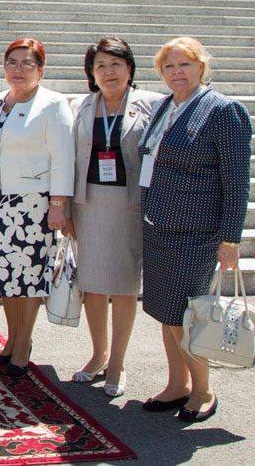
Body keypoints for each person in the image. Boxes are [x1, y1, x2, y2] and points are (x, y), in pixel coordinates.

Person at [136, 37, 251, 422]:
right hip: (158, 227)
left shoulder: (223, 111)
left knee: (186, 317)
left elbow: (237, 182)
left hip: (195, 234)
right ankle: (176, 385)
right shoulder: (165, 106)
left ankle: (203, 390)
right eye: (169, 66)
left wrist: (230, 239)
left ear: (202, 67)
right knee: (167, 314)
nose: (177, 73)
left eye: (184, 65)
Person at [62, 37, 161, 397]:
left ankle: (117, 360)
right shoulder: (81, 106)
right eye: (100, 65)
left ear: (130, 68)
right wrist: (68, 205)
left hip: (129, 204)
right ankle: (97, 353)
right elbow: (70, 157)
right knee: (92, 283)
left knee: (122, 285)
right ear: (91, 72)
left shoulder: (151, 105)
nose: (108, 71)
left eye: (115, 64)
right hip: (88, 203)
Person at [0, 38, 74, 377]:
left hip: (32, 203)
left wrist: (59, 204)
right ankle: (11, 339)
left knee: (28, 275)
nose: (18, 70)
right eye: (12, 62)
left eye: (26, 63)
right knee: (5, 275)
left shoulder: (53, 104)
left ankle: (24, 342)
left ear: (41, 69)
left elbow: (63, 157)